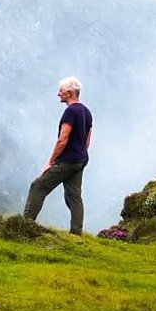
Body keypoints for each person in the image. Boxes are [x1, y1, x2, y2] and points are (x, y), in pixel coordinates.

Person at [23, 76, 93, 234]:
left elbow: (62, 140)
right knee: (74, 195)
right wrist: (79, 155)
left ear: (68, 93)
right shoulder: (87, 112)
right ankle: (76, 233)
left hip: (68, 160)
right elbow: (87, 141)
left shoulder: (70, 112)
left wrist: (50, 162)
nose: (58, 94)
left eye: (60, 91)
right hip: (81, 159)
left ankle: (24, 226)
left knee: (38, 186)